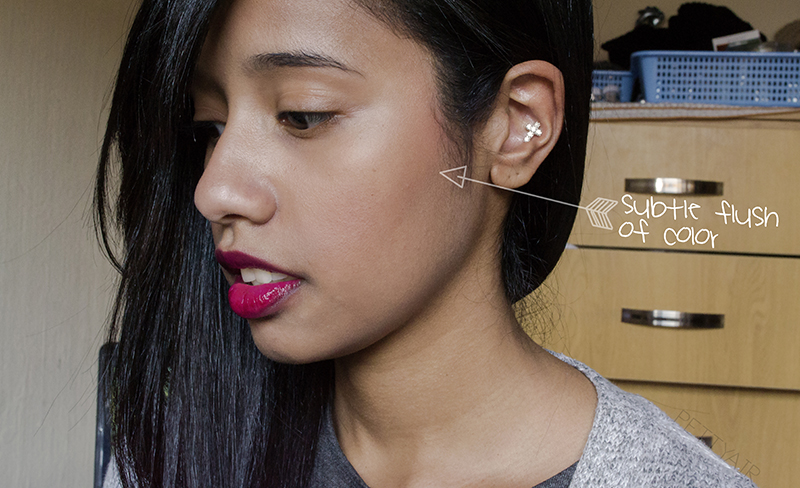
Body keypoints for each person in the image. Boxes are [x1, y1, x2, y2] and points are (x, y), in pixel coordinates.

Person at [96, 0, 757, 487]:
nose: (214, 191)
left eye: (303, 113)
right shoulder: (178, 451)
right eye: (209, 128)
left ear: (515, 126)